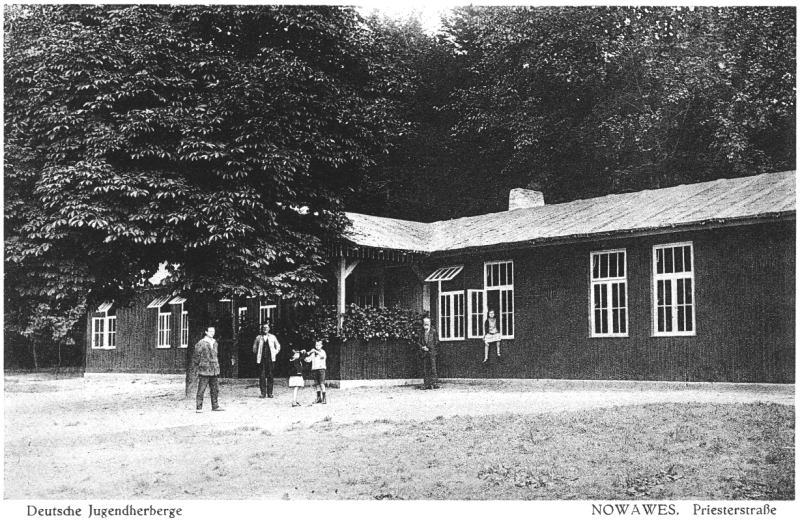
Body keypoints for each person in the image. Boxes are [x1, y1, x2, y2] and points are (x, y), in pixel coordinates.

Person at [194, 327, 224, 413]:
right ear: (206, 332)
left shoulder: (215, 343)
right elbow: (196, 356)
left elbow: (216, 355)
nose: (212, 333)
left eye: (213, 331)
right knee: (201, 389)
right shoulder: (201, 343)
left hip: (214, 369)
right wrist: (200, 365)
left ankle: (215, 406)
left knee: (215, 389)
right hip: (204, 370)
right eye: (210, 331)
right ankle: (199, 407)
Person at [252, 323, 281, 398]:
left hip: (270, 359)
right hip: (262, 360)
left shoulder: (272, 337)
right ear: (262, 329)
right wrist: (258, 353)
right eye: (263, 328)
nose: (265, 329)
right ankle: (263, 393)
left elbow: (278, 346)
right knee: (262, 376)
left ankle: (270, 393)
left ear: (269, 329)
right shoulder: (258, 338)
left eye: (266, 327)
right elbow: (254, 348)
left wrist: (274, 352)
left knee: (270, 375)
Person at [416, 316, 439, 389]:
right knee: (426, 369)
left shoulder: (433, 331)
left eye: (427, 323)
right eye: (424, 323)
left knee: (433, 368)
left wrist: (431, 348)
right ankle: (426, 384)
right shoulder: (421, 332)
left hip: (432, 352)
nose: (426, 324)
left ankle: (434, 384)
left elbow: (436, 342)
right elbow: (418, 342)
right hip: (424, 353)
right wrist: (422, 347)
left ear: (430, 323)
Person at [305, 340, 327, 404]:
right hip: (315, 369)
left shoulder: (322, 352)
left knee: (322, 383)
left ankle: (324, 398)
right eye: (316, 345)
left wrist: (315, 351)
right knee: (317, 384)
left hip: (321, 369)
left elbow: (322, 356)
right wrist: (304, 356)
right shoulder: (313, 354)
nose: (317, 346)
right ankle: (318, 398)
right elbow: (308, 360)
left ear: (321, 346)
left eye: (319, 345)